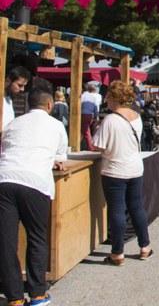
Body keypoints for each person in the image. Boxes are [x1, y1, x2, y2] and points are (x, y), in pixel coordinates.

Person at [0, 86, 67, 306]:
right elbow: (60, 159)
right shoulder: (56, 125)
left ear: (29, 105)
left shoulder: (13, 124)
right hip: (35, 182)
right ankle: (37, 293)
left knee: (6, 241)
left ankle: (14, 297)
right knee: (37, 237)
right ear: (50, 105)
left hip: (4, 179)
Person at [92, 80, 152, 265]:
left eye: (109, 96)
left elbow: (98, 146)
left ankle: (117, 252)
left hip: (114, 170)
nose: (106, 100)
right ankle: (145, 246)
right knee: (136, 207)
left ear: (114, 98)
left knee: (117, 210)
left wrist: (96, 130)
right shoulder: (136, 116)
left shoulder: (110, 120)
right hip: (134, 167)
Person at [80, 82, 101, 150]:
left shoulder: (83, 95)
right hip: (90, 115)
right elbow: (96, 107)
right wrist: (96, 116)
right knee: (85, 130)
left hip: (84, 114)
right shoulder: (96, 96)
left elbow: (79, 104)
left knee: (86, 131)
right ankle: (80, 144)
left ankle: (90, 146)